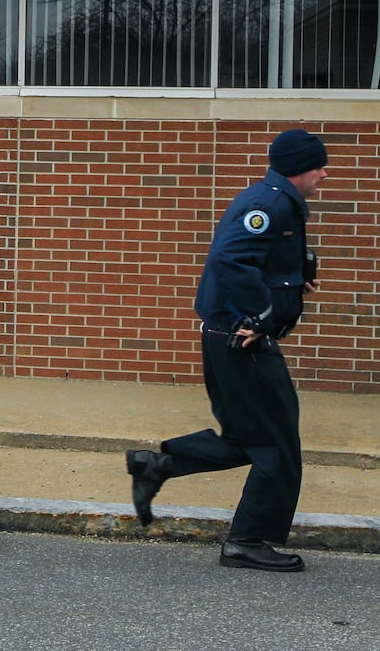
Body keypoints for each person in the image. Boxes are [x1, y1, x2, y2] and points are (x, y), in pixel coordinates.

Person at [127, 129, 329, 573]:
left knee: (248, 438)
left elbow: (258, 259)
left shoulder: (276, 199)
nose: (324, 173)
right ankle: (247, 541)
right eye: (318, 165)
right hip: (242, 338)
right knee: (277, 442)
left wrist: (296, 277)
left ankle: (157, 466)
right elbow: (229, 261)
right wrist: (258, 317)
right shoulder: (269, 204)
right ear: (298, 167)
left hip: (232, 336)